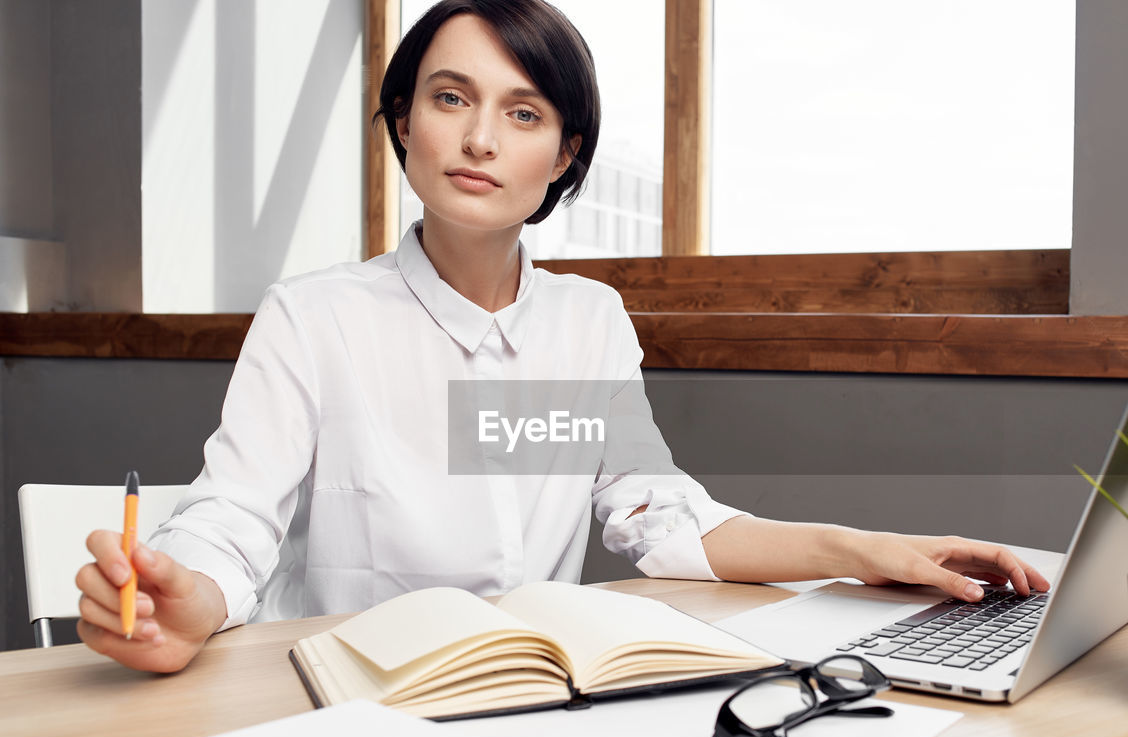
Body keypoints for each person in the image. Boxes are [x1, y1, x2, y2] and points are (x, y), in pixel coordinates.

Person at [75, 0, 1049, 674]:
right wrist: (191, 591)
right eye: (450, 98)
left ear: (565, 150)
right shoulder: (315, 315)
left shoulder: (586, 321)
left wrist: (859, 546)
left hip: (528, 695)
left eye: (523, 111)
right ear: (404, 118)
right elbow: (234, 513)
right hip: (348, 695)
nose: (480, 140)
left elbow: (657, 518)